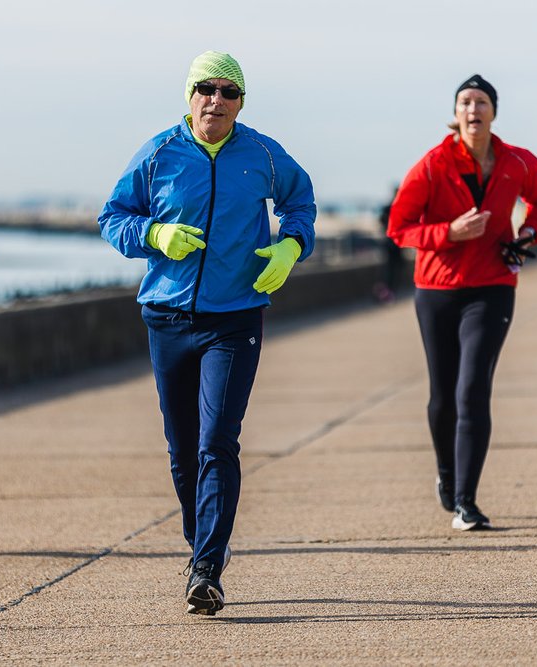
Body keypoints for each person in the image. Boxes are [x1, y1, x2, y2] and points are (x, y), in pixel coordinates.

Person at [99, 51, 316, 615]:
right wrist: (155, 234)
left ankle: (207, 568)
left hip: (236, 317)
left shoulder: (264, 155)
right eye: (204, 89)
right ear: (188, 96)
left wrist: (292, 244)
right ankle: (201, 546)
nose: (214, 100)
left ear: (241, 101)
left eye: (227, 91)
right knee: (182, 448)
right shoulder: (159, 154)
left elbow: (302, 199)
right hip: (167, 317)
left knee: (218, 438)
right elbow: (113, 217)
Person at [388, 75, 537, 532]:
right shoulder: (432, 165)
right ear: (456, 113)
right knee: (443, 396)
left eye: (481, 101)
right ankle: (446, 476)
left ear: (493, 112)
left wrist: (527, 234)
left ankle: (467, 500)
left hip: (493, 285)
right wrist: (448, 233)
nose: (473, 109)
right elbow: (399, 228)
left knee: (472, 388)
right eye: (465, 102)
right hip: (438, 289)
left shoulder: (516, 162)